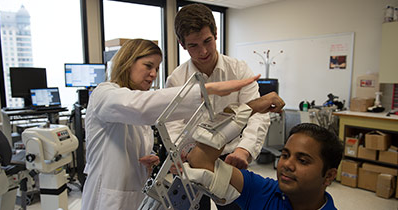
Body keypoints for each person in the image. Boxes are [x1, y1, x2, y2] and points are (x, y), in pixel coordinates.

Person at [80, 38, 266, 210]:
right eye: (148, 66)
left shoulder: (136, 103)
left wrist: (152, 160)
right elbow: (140, 107)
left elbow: (133, 143)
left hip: (134, 196)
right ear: (128, 61)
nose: (153, 74)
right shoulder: (104, 94)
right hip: (106, 198)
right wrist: (208, 89)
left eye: (157, 68)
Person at [166, 4, 270, 209]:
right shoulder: (177, 79)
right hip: (193, 159)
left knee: (233, 207)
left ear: (215, 34)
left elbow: (256, 114)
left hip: (232, 156)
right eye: (194, 45)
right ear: (182, 44)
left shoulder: (239, 70)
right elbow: (173, 125)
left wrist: (244, 150)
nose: (203, 51)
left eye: (207, 41)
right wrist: (182, 154)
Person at [185, 123, 344, 210]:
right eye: (285, 155)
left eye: (302, 160)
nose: (287, 164)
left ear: (329, 176)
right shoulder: (264, 191)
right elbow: (200, 160)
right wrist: (250, 110)